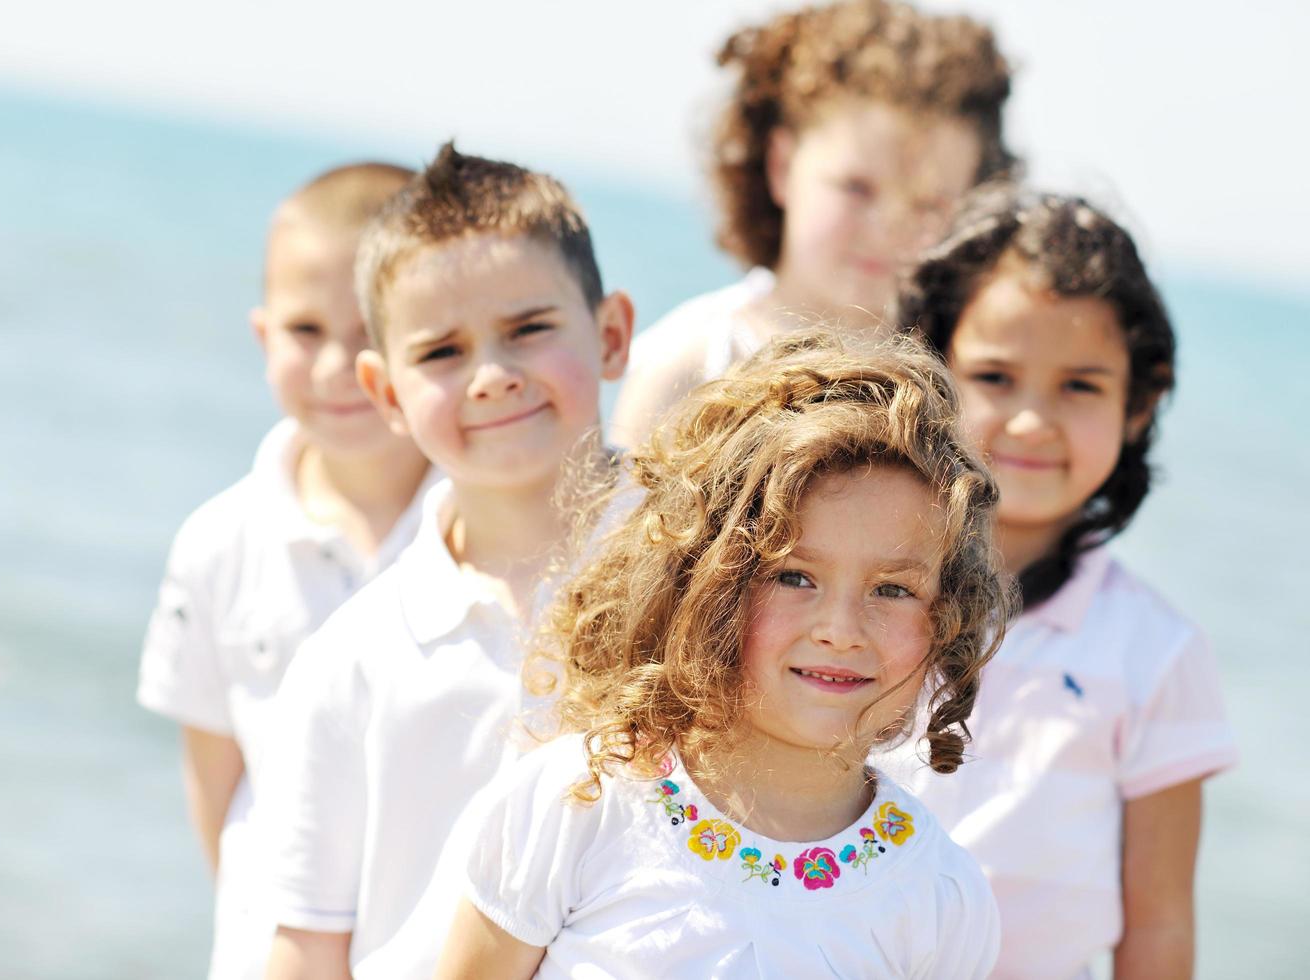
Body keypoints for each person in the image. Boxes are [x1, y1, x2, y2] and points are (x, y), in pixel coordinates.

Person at [438, 331, 1010, 978]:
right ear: (703, 581)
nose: (841, 629)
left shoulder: (938, 899)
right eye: (794, 576)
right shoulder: (574, 806)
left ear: (949, 616)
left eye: (893, 589)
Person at [255, 143, 635, 980]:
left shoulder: (716, 569)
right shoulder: (351, 660)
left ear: (611, 334)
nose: (493, 376)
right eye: (441, 353)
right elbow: (310, 940)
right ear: (386, 392)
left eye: (530, 330)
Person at [886, 187, 1238, 978]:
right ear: (931, 370)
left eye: (1080, 385)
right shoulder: (860, 591)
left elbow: (1160, 930)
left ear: (1139, 403)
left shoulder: (1157, 652)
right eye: (996, 376)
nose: (1032, 421)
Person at [134, 162, 431, 979]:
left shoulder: (481, 528)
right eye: (307, 332)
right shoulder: (220, 544)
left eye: (371, 332)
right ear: (264, 336)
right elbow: (220, 791)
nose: (340, 365)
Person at [610, 0, 1013, 447]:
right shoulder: (690, 362)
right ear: (782, 165)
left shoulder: (976, 380)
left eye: (927, 204)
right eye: (857, 188)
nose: (888, 228)